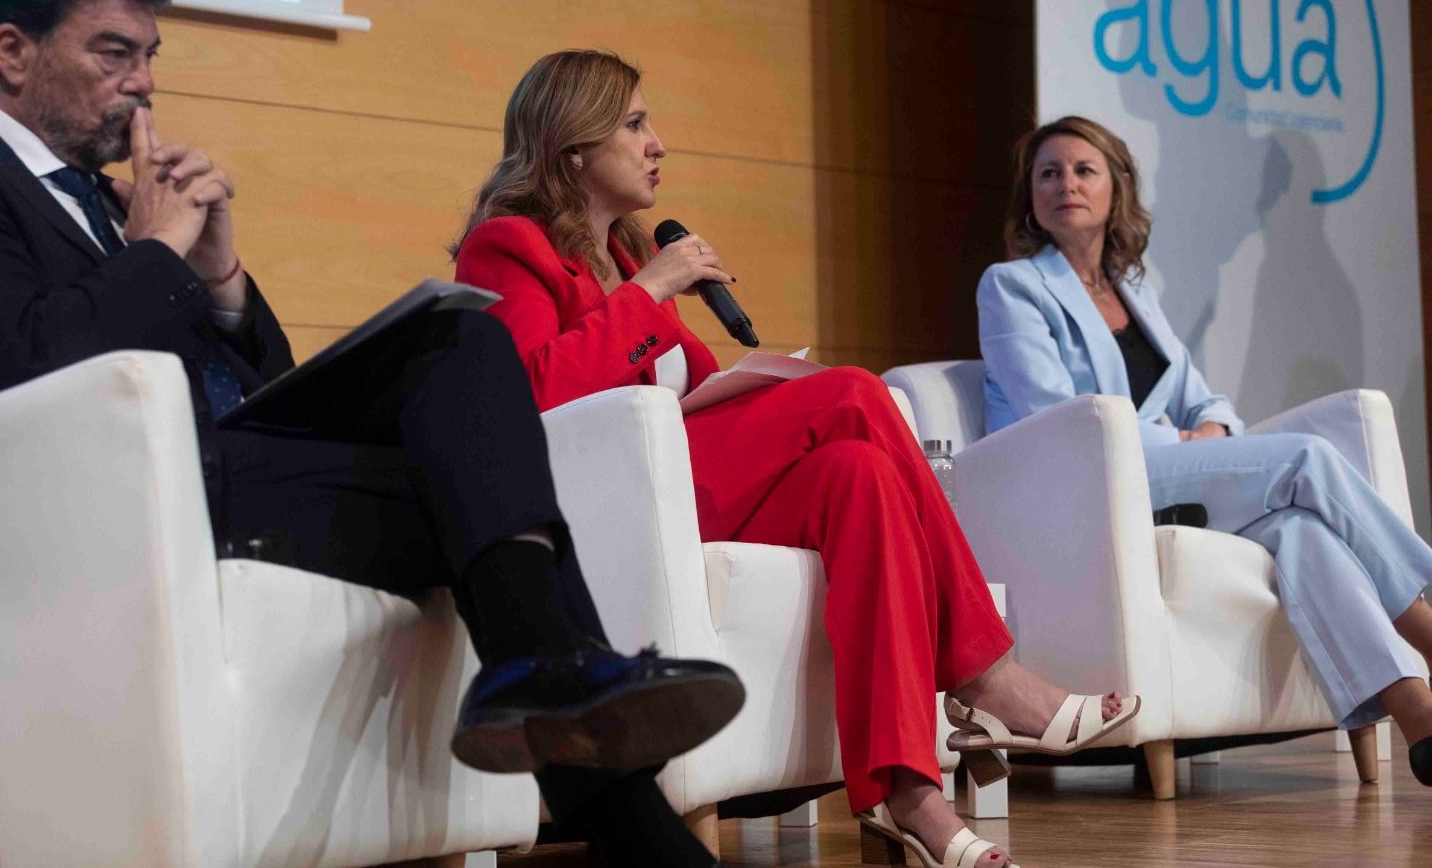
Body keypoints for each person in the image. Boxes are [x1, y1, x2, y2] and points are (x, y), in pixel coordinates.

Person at [0, 0, 746, 868]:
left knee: (463, 341)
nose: (143, 81)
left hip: (223, 476)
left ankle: (554, 691)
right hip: (90, 510)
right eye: (114, 52)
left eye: (149, 55)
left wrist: (222, 274)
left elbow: (260, 384)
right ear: (13, 51)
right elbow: (26, 373)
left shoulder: (113, 203)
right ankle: (608, 782)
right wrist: (156, 252)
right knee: (482, 491)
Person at [450, 49, 1141, 868]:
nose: (657, 143)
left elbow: (696, 390)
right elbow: (528, 392)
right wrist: (653, 295)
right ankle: (986, 675)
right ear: (572, 146)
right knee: (856, 395)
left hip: (689, 480)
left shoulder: (630, 258)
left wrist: (753, 378)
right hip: (610, 503)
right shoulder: (508, 246)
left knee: (865, 474)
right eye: (635, 124)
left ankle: (908, 797)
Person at [976, 114, 1432, 786]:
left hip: (1157, 475)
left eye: (1082, 170)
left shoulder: (1134, 293)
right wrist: (1176, 438)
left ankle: (1416, 715)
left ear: (1115, 189)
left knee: (1301, 529)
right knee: (1304, 459)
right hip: (1086, 487)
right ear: (1031, 198)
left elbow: (1202, 396)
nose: (1064, 184)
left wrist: (1209, 430)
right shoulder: (1011, 287)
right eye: (1048, 173)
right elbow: (1055, 419)